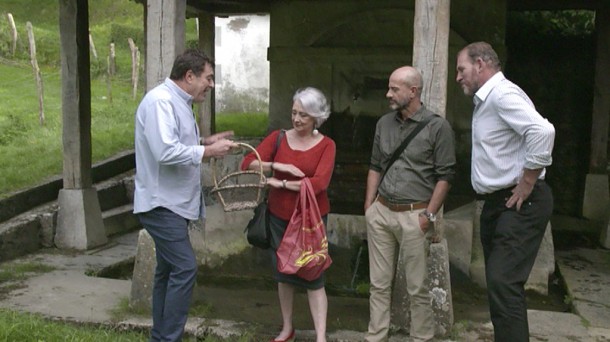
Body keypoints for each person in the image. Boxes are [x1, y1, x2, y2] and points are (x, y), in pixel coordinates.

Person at [133, 49, 237, 342]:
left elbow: (174, 142)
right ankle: (168, 338)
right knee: (184, 267)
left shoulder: (178, 102)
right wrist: (206, 151)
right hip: (161, 203)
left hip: (173, 204)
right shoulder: (160, 102)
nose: (211, 84)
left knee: (167, 271)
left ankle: (162, 337)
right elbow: (165, 151)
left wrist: (205, 141)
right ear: (189, 76)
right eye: (208, 77)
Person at [455, 42, 555, 342]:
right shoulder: (486, 100)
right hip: (496, 202)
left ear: (481, 64)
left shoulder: (501, 94)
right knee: (499, 284)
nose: (458, 77)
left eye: (461, 69)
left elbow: (543, 131)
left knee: (503, 281)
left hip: (520, 199)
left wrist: (527, 180)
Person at [364, 66, 455, 342]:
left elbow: (446, 176)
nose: (388, 94)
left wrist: (429, 214)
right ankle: (375, 337)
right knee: (378, 284)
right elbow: (376, 166)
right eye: (389, 87)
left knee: (417, 287)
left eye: (394, 89)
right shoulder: (384, 124)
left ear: (413, 91)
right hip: (381, 211)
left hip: (415, 215)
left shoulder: (438, 127)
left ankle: (422, 338)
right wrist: (369, 207)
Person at [241, 87, 336, 342]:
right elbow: (248, 161)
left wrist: (279, 184)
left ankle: (321, 336)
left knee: (314, 276)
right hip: (279, 217)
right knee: (283, 275)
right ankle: (287, 328)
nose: (296, 119)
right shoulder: (278, 137)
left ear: (317, 117)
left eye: (304, 115)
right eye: (294, 113)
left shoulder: (327, 145)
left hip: (311, 221)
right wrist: (276, 166)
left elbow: (319, 184)